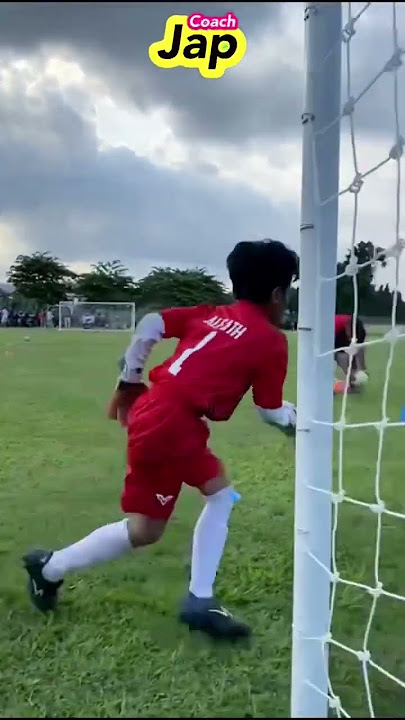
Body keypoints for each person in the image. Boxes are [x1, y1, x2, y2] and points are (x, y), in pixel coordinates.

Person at [23, 239, 298, 641]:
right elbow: (269, 411)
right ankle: (199, 600)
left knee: (146, 529)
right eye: (288, 291)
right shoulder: (272, 340)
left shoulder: (212, 314)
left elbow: (151, 322)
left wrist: (129, 379)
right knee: (218, 496)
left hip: (159, 410)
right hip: (173, 421)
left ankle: (48, 568)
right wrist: (300, 424)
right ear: (277, 294)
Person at [335, 314, 367, 389]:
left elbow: (359, 348)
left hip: (351, 325)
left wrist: (362, 368)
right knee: (342, 357)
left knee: (345, 356)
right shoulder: (335, 327)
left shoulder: (358, 330)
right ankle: (353, 379)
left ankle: (354, 380)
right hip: (341, 329)